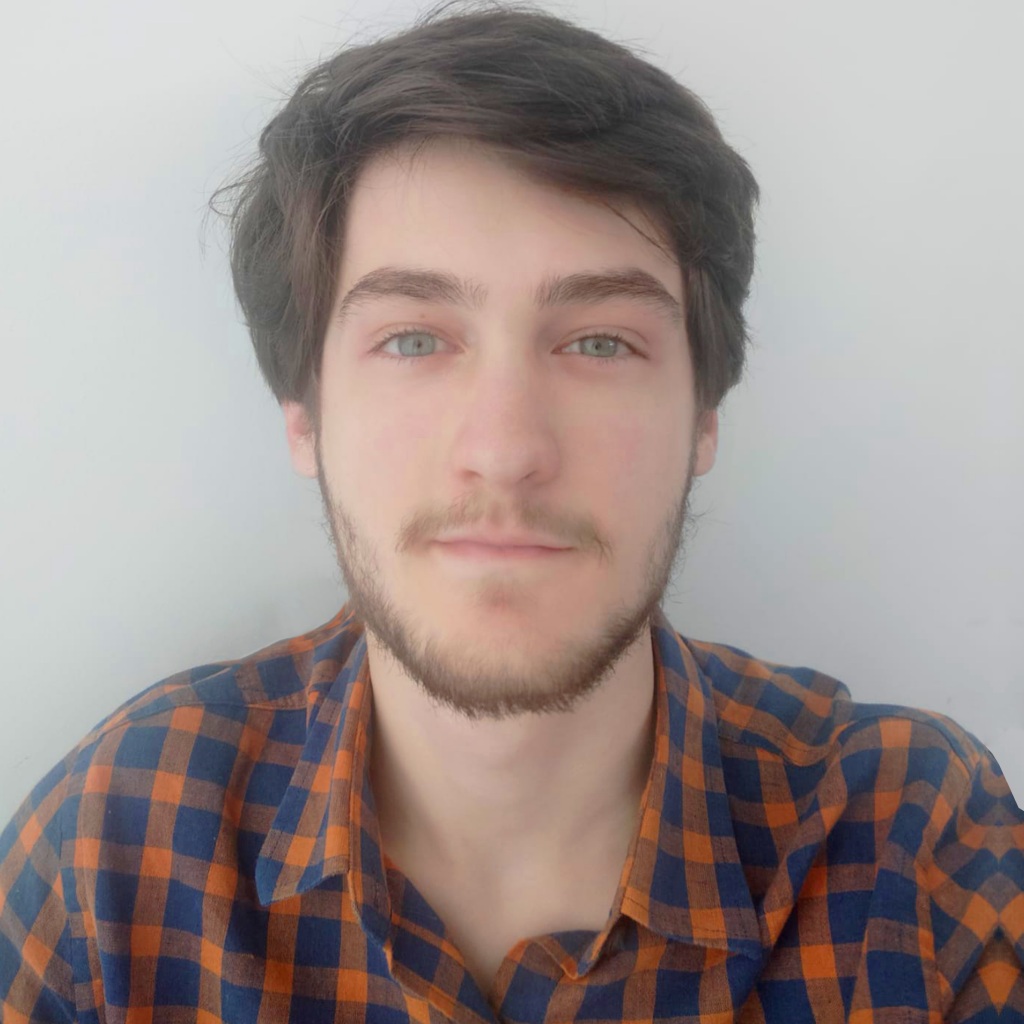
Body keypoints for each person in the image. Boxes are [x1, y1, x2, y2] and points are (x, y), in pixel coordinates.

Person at [2, 3, 1021, 1021]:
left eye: (599, 343)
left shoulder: (918, 845)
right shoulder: (115, 848)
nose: (505, 448)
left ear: (703, 417)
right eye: (412, 339)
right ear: (304, 417)